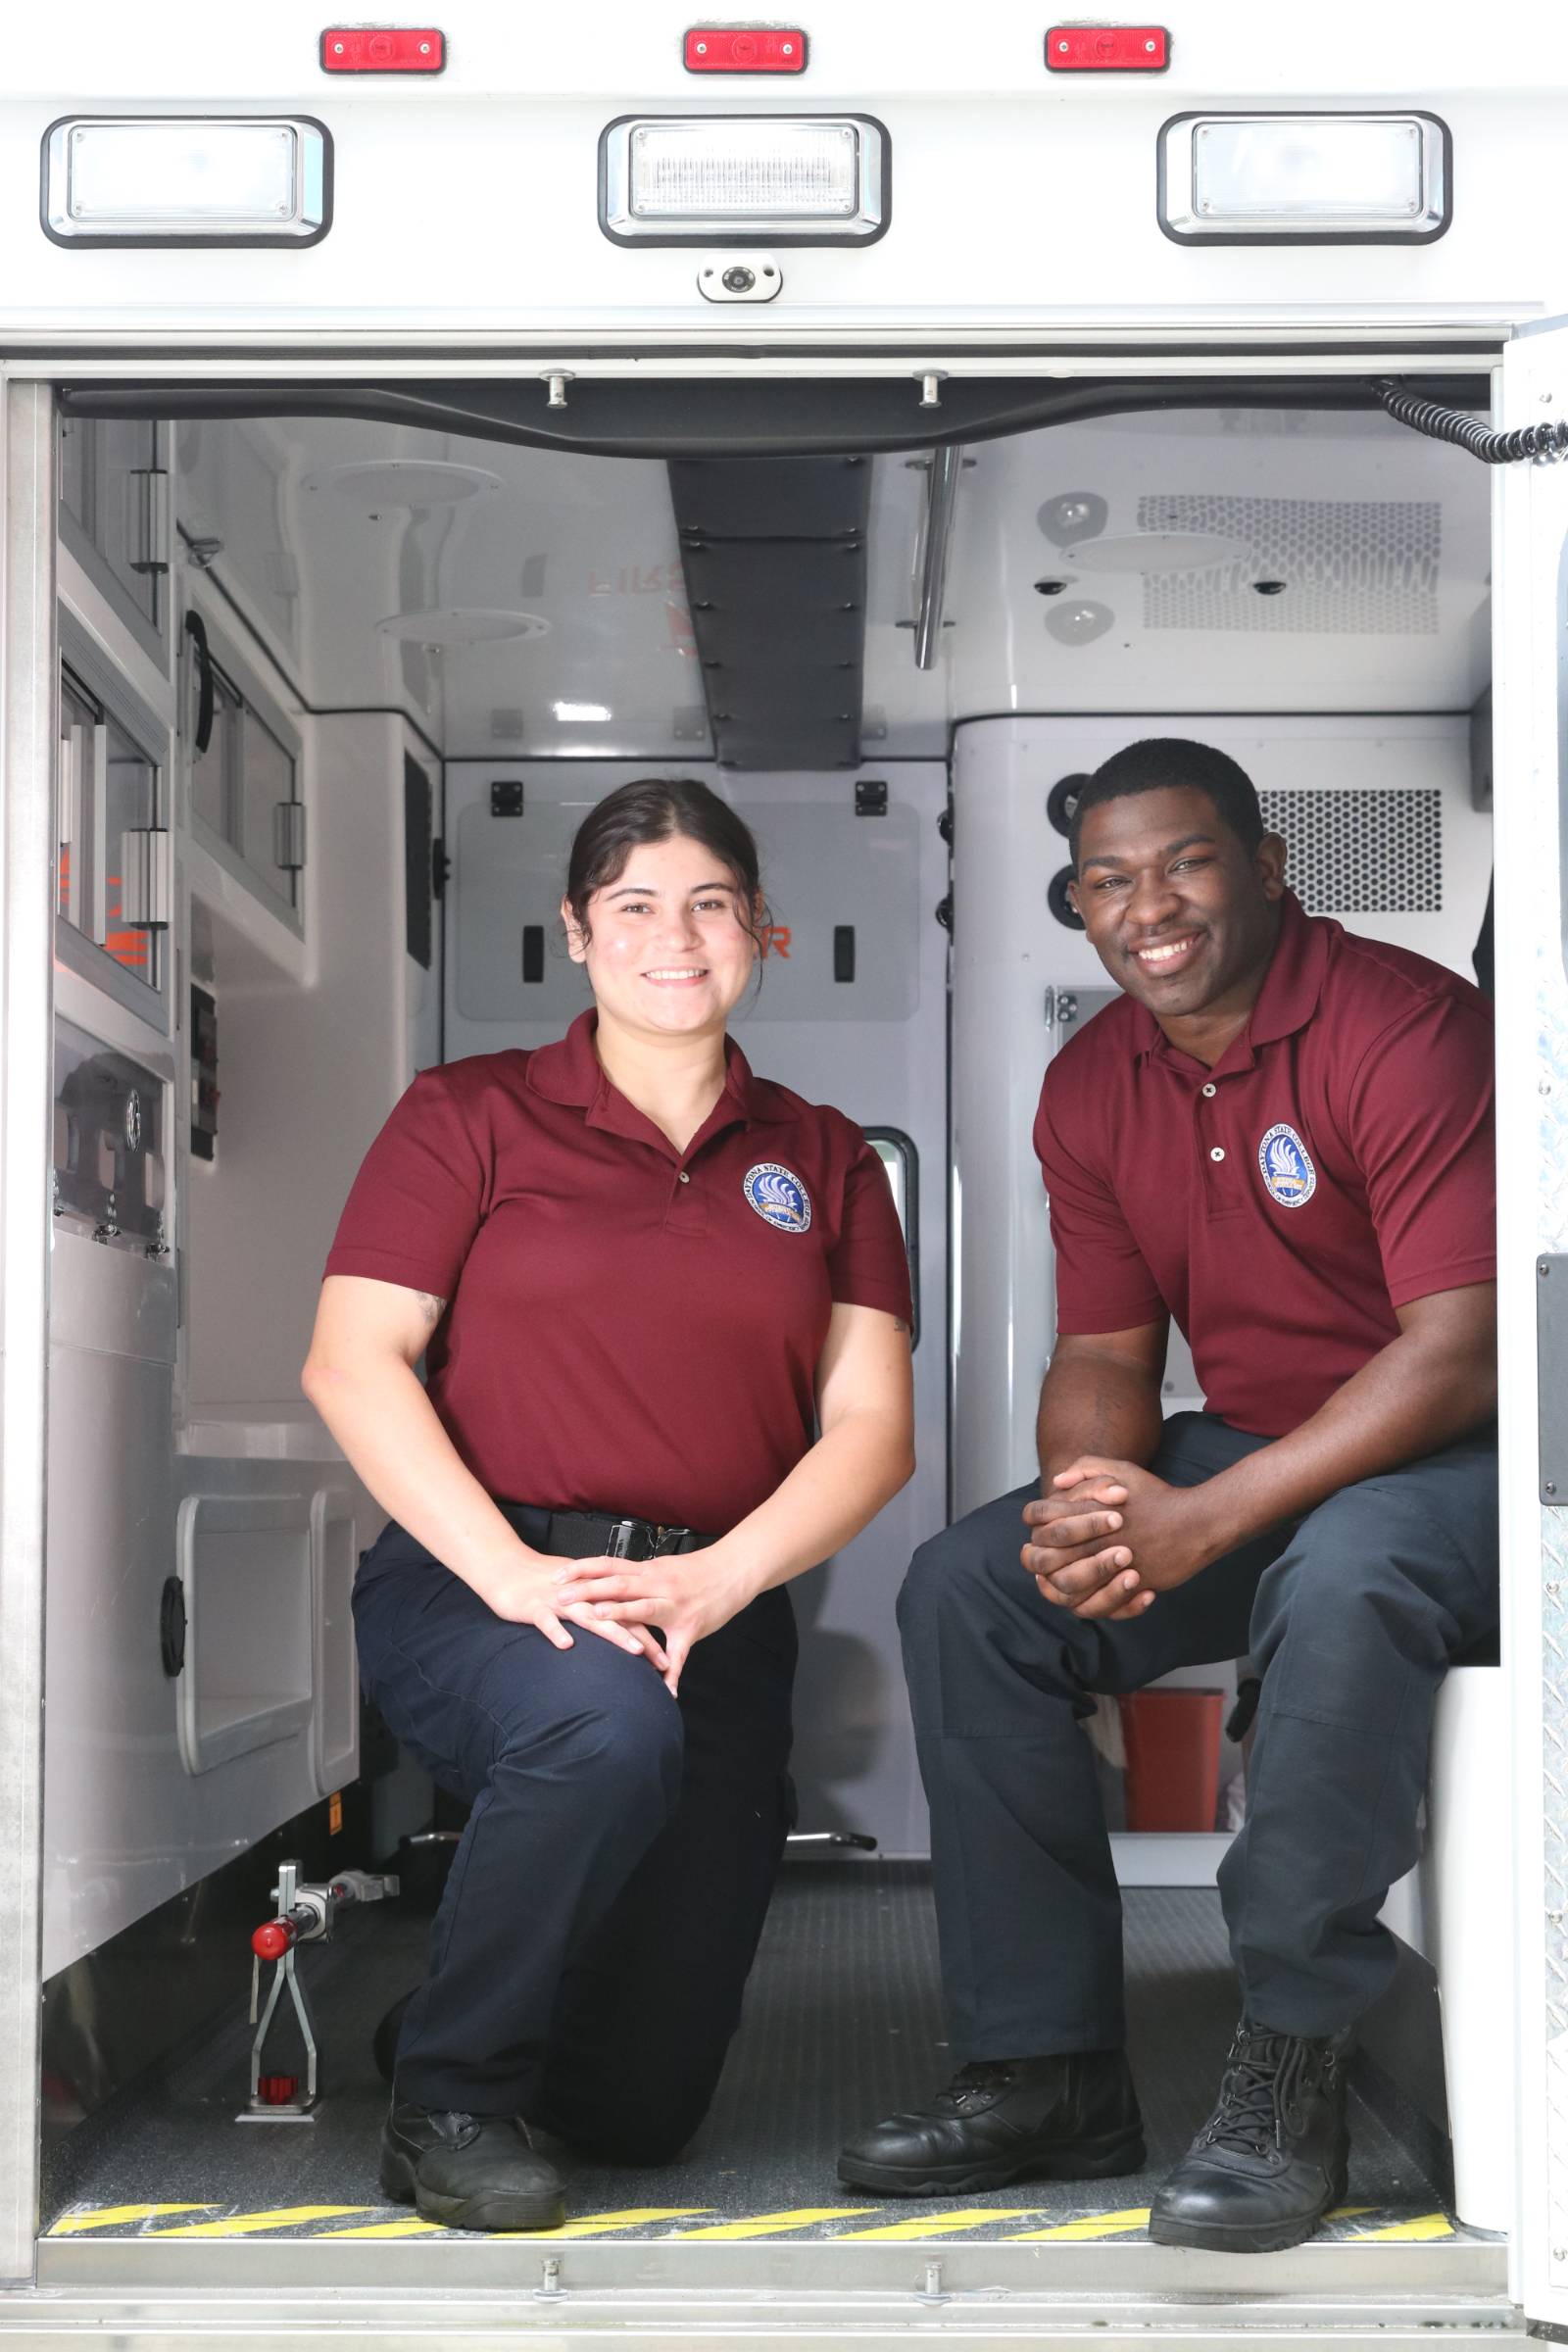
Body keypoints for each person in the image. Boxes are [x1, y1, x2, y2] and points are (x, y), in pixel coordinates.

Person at [840, 738, 1497, 2254]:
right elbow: (1105, 1346)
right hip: (1266, 1439)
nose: (1150, 907)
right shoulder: (1093, 1085)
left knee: (1345, 1573)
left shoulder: (1403, 1029)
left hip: (1461, 1457)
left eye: (1186, 863)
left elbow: (1457, 1355)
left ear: (1269, 867)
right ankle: (1049, 2072)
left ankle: (1290, 2065)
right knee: (973, 1589)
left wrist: (1205, 1518)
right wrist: (1095, 1503)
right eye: (1108, 882)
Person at [303, 777, 914, 2233]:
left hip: (721, 1602)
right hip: (480, 1582)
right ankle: (448, 2096)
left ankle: (451, 2031)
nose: (674, 936)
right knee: (601, 1718)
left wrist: (723, 1581)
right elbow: (353, 1362)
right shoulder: (471, 1115)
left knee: (639, 2117)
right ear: (577, 932)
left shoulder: (821, 1155)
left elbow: (871, 1428)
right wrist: (514, 1577)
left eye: (708, 902)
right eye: (634, 905)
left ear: (759, 928)